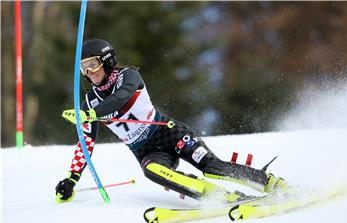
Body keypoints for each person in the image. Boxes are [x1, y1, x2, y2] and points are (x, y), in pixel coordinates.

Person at [56, 39, 287, 203]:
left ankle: (269, 183)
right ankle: (216, 195)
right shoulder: (89, 103)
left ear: (106, 61)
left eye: (92, 65)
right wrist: (71, 179)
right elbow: (85, 144)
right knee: (152, 170)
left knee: (211, 167)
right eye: (83, 67)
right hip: (144, 150)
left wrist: (90, 115)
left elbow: (120, 98)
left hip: (168, 133)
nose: (89, 72)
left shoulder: (129, 76)